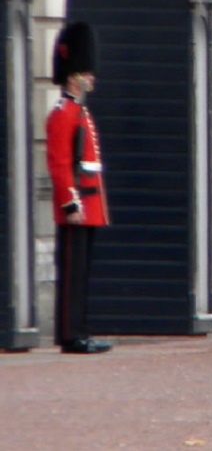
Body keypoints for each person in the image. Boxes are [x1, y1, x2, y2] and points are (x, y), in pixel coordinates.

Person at [45, 22, 111, 355]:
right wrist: (71, 204)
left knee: (81, 272)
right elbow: (59, 164)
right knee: (72, 273)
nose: (91, 77)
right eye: (87, 72)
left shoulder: (79, 112)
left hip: (90, 204)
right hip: (77, 207)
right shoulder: (62, 114)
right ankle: (71, 335)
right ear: (74, 75)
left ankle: (79, 330)